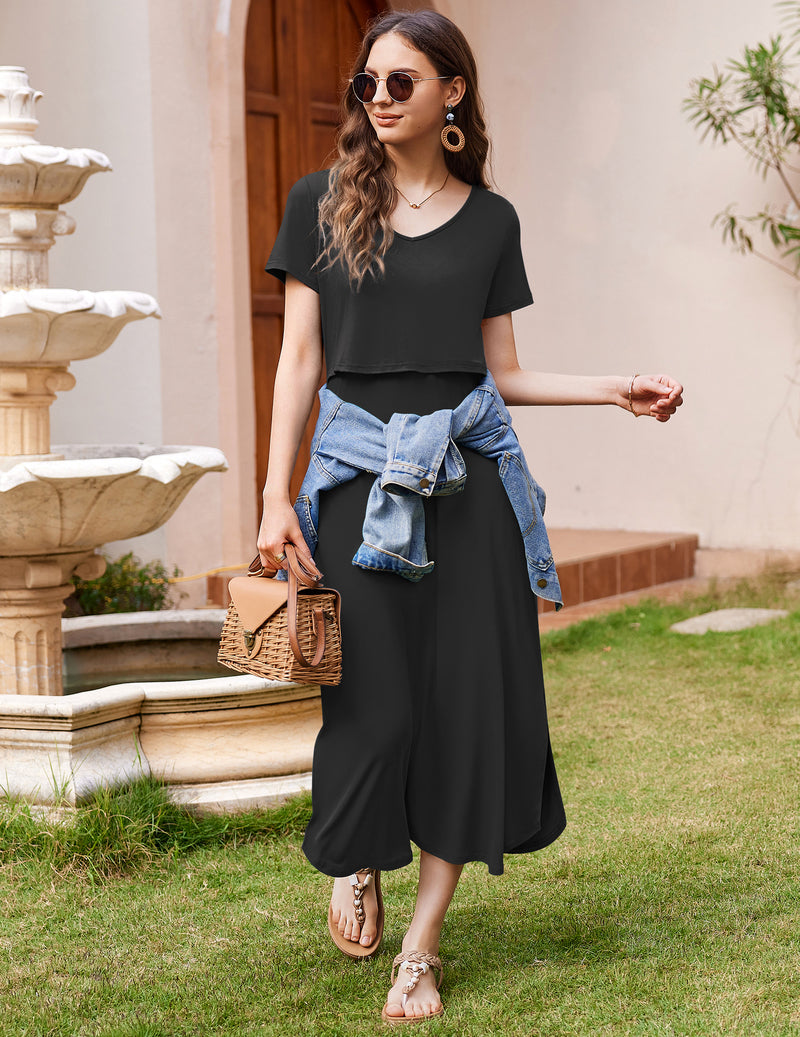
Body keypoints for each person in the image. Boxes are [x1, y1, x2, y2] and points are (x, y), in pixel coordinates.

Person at [258, 8, 683, 1025]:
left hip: (468, 492)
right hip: (356, 485)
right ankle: (359, 855)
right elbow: (300, 359)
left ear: (451, 92)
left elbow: (501, 373)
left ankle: (421, 947)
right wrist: (275, 494)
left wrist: (614, 389)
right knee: (370, 707)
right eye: (367, 83)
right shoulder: (319, 202)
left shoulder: (491, 221)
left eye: (400, 81)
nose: (378, 97)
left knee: (465, 710)